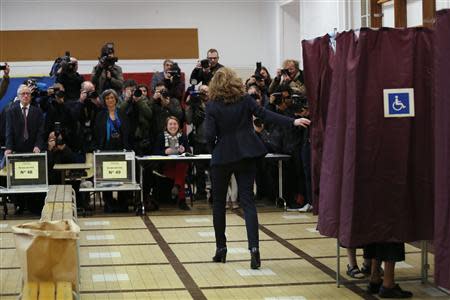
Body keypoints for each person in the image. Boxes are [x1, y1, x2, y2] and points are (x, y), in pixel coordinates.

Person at [205, 67, 310, 269]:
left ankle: (221, 249)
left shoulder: (212, 106)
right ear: (235, 82)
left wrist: (215, 148)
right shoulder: (245, 100)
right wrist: (293, 121)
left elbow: (209, 135)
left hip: (223, 155)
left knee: (219, 203)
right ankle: (254, 250)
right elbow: (266, 115)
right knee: (248, 202)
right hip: (247, 152)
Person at [94, 89, 130, 212]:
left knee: (121, 176)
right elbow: (97, 133)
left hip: (121, 148)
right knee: (107, 177)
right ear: (105, 101)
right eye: (107, 98)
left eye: (112, 98)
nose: (110, 100)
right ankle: (109, 203)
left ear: (116, 99)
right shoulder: (100, 115)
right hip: (106, 149)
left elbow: (127, 131)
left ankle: (122, 203)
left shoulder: (122, 113)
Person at [153, 116, 191, 210]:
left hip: (179, 165)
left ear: (178, 125)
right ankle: (181, 199)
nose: (173, 126)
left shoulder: (183, 136)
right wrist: (165, 152)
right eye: (170, 124)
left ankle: (177, 186)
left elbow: (189, 153)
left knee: (181, 165)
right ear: (166, 126)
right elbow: (155, 152)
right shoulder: (161, 136)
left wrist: (184, 151)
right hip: (166, 166)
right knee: (181, 174)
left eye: (175, 124)